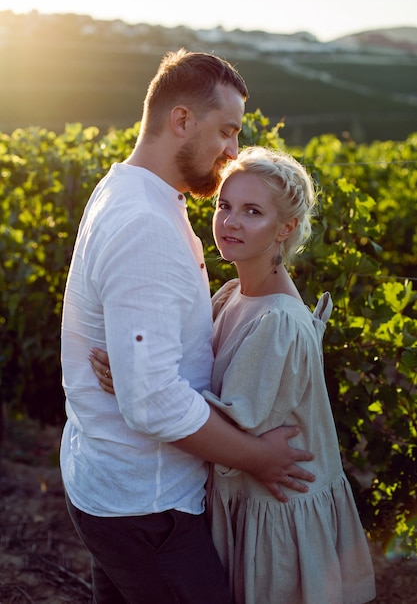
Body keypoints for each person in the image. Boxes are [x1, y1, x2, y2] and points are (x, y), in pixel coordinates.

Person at [60, 49, 316, 604]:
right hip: (147, 507)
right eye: (227, 131)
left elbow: (145, 376)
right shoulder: (145, 223)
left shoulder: (125, 191)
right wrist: (259, 457)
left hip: (115, 488)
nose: (232, 151)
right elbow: (151, 402)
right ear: (181, 120)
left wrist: (134, 375)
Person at [92, 146, 376, 603]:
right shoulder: (230, 296)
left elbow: (229, 422)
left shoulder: (280, 320)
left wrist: (135, 376)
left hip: (275, 514)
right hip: (242, 500)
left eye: (252, 211)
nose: (230, 221)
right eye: (225, 205)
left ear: (285, 229)